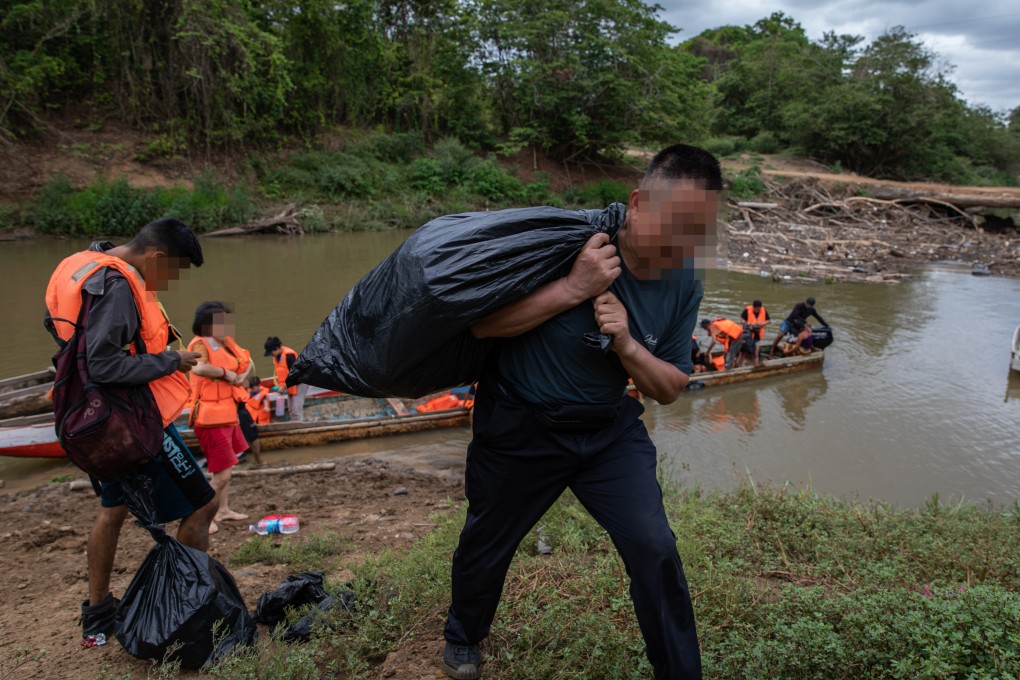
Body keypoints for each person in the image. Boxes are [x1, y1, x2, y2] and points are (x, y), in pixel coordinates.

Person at [442, 144, 720, 680]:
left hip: (607, 432)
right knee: (487, 541)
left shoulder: (684, 281)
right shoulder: (567, 246)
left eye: (698, 229)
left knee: (654, 545)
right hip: (520, 424)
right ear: (638, 203)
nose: (685, 242)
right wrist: (575, 287)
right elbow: (483, 326)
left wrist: (628, 346)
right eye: (676, 223)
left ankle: (680, 673)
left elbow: (669, 388)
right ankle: (464, 634)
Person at [43, 218, 217, 648]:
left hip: (87, 420)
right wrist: (170, 362)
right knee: (202, 504)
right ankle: (190, 606)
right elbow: (102, 365)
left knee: (113, 510)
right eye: (171, 271)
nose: (168, 283)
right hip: (131, 423)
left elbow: (66, 338)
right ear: (157, 257)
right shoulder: (118, 287)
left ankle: (98, 614)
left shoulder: (82, 264)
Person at [187, 301, 253, 533]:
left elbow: (247, 364)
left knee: (224, 470)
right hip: (210, 418)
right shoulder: (200, 345)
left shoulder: (224, 344)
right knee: (222, 475)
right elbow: (199, 368)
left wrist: (240, 375)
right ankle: (202, 516)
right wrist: (228, 374)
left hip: (228, 414)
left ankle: (223, 510)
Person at [265, 336, 308, 421]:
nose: (271, 355)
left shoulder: (289, 356)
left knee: (296, 410)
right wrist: (281, 386)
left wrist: (282, 388)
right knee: (290, 409)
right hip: (289, 385)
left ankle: (299, 428)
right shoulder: (277, 357)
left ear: (277, 348)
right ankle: (295, 424)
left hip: (299, 383)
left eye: (271, 352)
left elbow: (294, 375)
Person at [739, 300, 769, 366]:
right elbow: (741, 320)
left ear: (760, 308)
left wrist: (761, 324)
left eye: (758, 309)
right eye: (755, 308)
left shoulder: (763, 311)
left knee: (756, 353)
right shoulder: (747, 310)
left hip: (757, 335)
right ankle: (739, 366)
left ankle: (756, 366)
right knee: (742, 353)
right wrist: (749, 324)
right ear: (753, 307)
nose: (756, 310)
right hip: (747, 335)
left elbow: (768, 321)